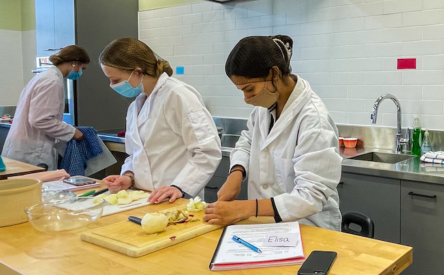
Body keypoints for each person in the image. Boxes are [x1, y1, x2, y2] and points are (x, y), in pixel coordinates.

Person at [204, 35, 342, 231]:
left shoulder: (313, 119)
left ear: (274, 74)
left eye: (249, 89)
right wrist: (236, 173)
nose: (246, 98)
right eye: (241, 90)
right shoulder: (265, 107)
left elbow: (311, 196)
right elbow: (247, 141)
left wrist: (244, 208)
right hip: (266, 226)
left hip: (307, 228)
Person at [99, 38, 221, 204]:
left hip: (177, 199)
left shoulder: (178, 95)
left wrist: (179, 187)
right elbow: (135, 155)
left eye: (115, 80)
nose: (112, 85)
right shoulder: (136, 106)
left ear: (137, 72)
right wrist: (129, 177)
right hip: (143, 198)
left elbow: (207, 151)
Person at [3, 45, 89, 168]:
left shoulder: (44, 77)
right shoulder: (52, 81)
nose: (80, 72)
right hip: (33, 151)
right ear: (74, 63)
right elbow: (40, 120)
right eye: (82, 68)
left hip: (24, 147)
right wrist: (72, 132)